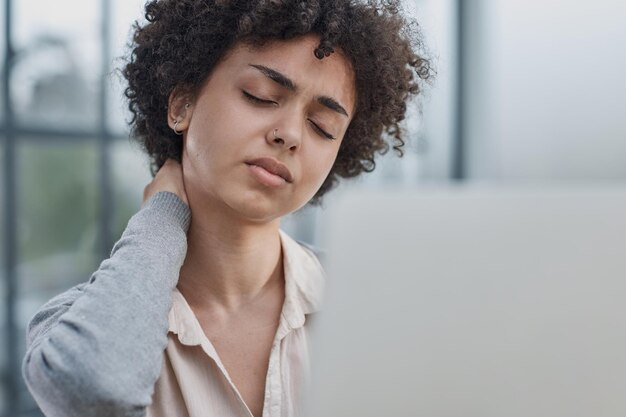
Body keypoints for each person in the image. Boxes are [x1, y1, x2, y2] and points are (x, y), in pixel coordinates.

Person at [22, 0, 431, 416]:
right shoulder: (77, 324)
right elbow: (95, 389)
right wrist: (161, 216)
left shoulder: (367, 310)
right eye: (261, 96)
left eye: (322, 127)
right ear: (182, 105)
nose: (290, 134)